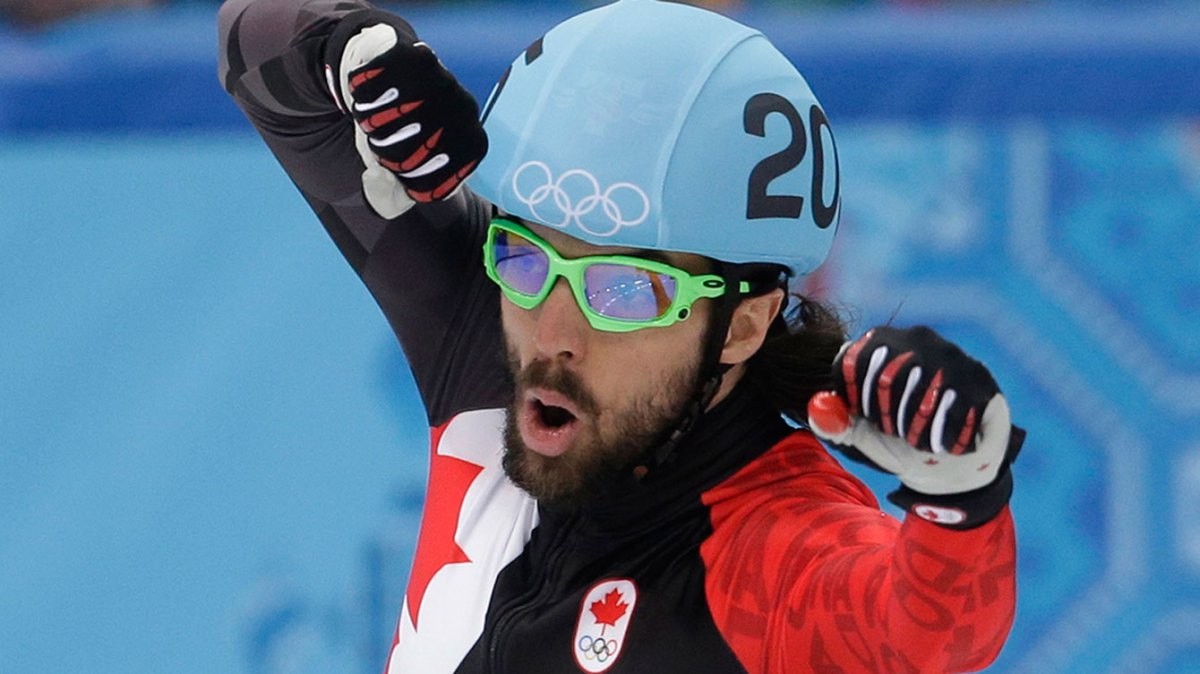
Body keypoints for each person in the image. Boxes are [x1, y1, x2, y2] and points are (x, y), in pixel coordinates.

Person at [218, 0, 1023, 671]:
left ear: (741, 326)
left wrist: (964, 500)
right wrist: (345, 50)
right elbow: (250, 46)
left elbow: (925, 636)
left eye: (625, 290)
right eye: (529, 259)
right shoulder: (484, 347)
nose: (553, 334)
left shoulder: (768, 553)